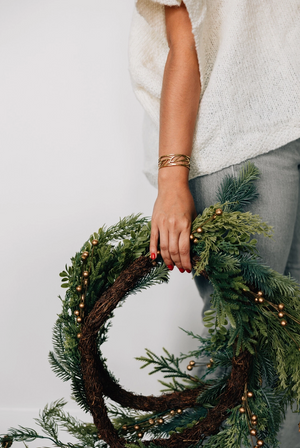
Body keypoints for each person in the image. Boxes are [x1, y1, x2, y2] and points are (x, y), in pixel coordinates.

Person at [129, 1, 300, 445]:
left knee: (289, 344)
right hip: (240, 138)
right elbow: (184, 41)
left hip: (292, 121)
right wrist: (171, 178)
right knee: (243, 342)